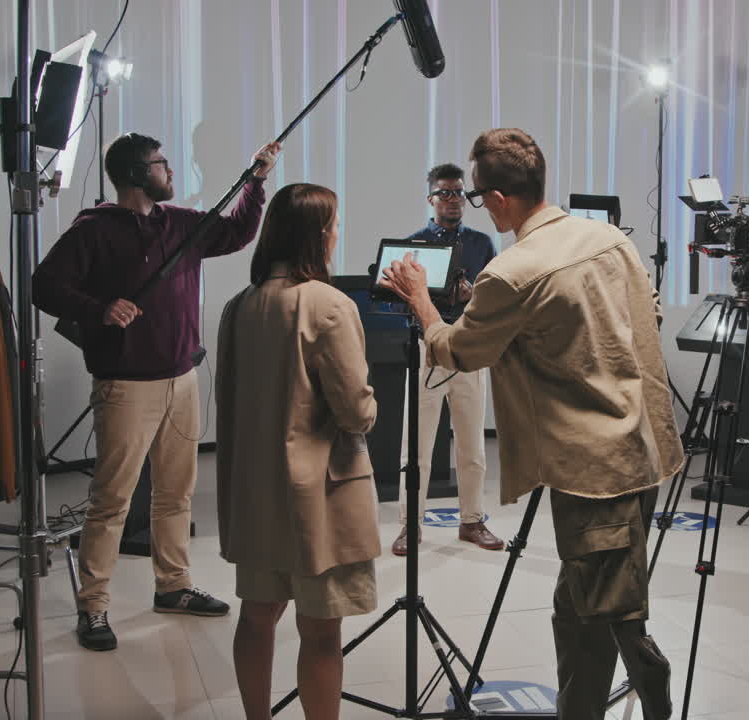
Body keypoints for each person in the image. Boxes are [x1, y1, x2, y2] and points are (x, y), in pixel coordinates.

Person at [380, 128, 683, 720]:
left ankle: (648, 683)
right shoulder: (608, 240)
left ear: (494, 199)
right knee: (579, 600)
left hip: (591, 468)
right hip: (645, 446)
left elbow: (454, 349)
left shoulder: (511, 273)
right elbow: (649, 311)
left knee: (598, 612)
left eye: (473, 197)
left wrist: (418, 295)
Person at [33, 133, 281, 651]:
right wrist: (99, 308)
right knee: (112, 500)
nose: (170, 172)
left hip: (182, 377)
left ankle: (173, 586)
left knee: (175, 493)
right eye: (161, 164)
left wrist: (256, 182)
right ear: (137, 174)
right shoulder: (93, 230)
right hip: (125, 385)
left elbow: (236, 233)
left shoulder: (181, 224)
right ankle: (94, 606)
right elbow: (44, 286)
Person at [215, 183, 380, 720]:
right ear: (316, 234)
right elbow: (357, 413)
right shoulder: (327, 304)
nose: (337, 233)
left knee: (257, 614)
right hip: (320, 500)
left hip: (257, 490)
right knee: (320, 631)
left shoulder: (239, 306)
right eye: (333, 224)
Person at [393, 163, 503, 556]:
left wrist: (474, 295)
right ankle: (410, 526)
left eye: (458, 192)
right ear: (431, 198)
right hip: (428, 350)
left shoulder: (482, 243)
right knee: (417, 447)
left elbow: (494, 300)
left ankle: (472, 521)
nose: (453, 199)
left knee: (472, 445)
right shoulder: (415, 244)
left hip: (469, 348)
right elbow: (404, 298)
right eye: (445, 193)